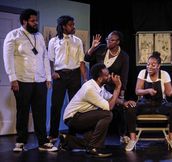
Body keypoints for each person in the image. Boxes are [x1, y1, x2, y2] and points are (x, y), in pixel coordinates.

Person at [3, 9, 57, 152]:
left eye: (36, 20)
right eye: (33, 21)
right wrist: (12, 79)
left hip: (39, 80)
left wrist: (47, 77)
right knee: (23, 111)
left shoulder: (39, 36)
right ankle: (21, 141)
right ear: (24, 21)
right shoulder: (13, 35)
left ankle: (43, 142)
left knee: (40, 112)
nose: (36, 23)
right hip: (22, 80)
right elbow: (7, 58)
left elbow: (44, 57)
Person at [61, 63, 136, 157]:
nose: (109, 76)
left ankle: (67, 141)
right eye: (107, 75)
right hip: (73, 118)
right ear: (100, 78)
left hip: (83, 115)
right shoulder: (90, 89)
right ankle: (94, 148)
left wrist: (124, 102)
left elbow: (110, 97)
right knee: (107, 114)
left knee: (90, 141)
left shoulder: (99, 86)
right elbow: (109, 107)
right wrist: (117, 88)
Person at [125, 51, 172, 152]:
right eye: (148, 64)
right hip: (145, 104)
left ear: (158, 66)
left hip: (160, 105)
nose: (149, 67)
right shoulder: (143, 73)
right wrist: (147, 91)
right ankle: (132, 139)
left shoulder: (164, 74)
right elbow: (137, 91)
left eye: (153, 65)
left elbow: (168, 93)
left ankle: (171, 138)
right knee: (130, 109)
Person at [84, 31, 130, 143]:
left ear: (118, 42)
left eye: (112, 40)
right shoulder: (101, 49)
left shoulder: (124, 56)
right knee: (94, 108)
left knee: (119, 109)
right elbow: (87, 58)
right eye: (108, 39)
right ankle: (92, 134)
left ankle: (123, 134)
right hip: (97, 84)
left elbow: (124, 76)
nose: (109, 42)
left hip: (112, 86)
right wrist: (92, 47)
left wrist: (121, 91)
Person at [47, 15, 87, 142]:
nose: (73, 27)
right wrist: (52, 73)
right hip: (60, 75)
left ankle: (72, 133)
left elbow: (81, 61)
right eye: (71, 25)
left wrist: (84, 79)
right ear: (64, 26)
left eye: (73, 24)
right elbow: (50, 60)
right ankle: (53, 134)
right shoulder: (53, 41)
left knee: (74, 106)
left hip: (74, 75)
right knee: (56, 105)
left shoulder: (78, 41)